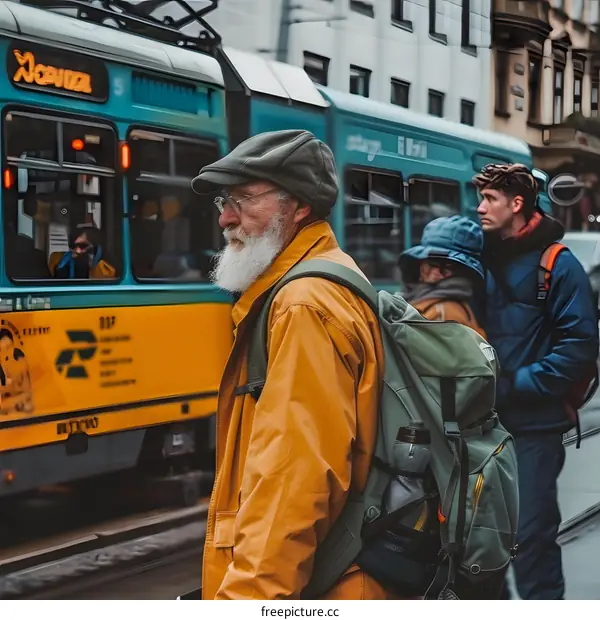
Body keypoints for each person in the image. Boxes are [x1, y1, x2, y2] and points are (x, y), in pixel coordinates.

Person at [191, 129, 390, 600]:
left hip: (325, 587)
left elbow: (293, 482)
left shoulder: (304, 304)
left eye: (243, 200)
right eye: (224, 200)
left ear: (298, 207)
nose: (225, 218)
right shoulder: (319, 278)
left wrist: (249, 600)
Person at [473, 162, 600, 600]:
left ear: (517, 203)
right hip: (480, 423)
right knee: (475, 540)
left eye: (489, 199)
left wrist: (515, 384)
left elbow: (579, 346)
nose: (480, 208)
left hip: (535, 426)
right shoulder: (476, 256)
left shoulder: (557, 265)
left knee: (529, 537)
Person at [397, 215, 486, 338]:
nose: (436, 272)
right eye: (431, 263)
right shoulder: (417, 300)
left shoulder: (445, 313)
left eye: (448, 267)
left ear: (463, 272)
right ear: (420, 262)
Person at [49, 226, 115, 279]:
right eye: (73, 246)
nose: (77, 251)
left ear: (95, 247)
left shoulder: (106, 269)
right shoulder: (63, 263)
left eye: (82, 246)